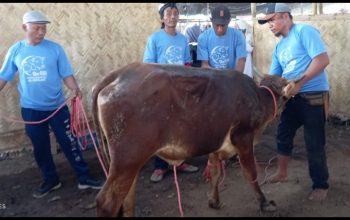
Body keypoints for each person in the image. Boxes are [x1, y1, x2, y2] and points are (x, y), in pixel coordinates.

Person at [0, 10, 104, 199]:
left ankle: (84, 177)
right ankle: (51, 180)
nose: (41, 32)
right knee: (40, 146)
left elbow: (66, 73)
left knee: (69, 142)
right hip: (31, 110)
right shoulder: (16, 50)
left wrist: (75, 89)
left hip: (57, 107)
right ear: (25, 28)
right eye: (37, 28)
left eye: (44, 28)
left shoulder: (55, 49)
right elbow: (4, 76)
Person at [258, 3, 330, 201]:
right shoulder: (280, 47)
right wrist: (262, 87)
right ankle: (282, 173)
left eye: (272, 20)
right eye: (267, 22)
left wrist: (300, 82)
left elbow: (322, 59)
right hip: (291, 97)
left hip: (313, 95)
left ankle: (320, 184)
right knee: (283, 134)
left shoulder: (304, 32)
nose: (269, 25)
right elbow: (274, 76)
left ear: (284, 16)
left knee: (314, 141)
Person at [143, 3, 199, 183]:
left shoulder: (183, 40)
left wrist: (187, 85)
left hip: (181, 91)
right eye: (168, 13)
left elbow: (187, 64)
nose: (173, 16)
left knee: (182, 127)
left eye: (175, 13)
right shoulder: (155, 39)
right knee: (161, 129)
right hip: (162, 92)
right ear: (162, 18)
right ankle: (160, 167)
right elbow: (149, 66)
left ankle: (180, 162)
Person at [197, 5, 246, 72]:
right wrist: (220, 77)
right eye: (217, 25)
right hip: (212, 77)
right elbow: (204, 65)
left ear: (229, 21)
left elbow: (241, 61)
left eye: (223, 25)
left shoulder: (238, 36)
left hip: (232, 77)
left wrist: (236, 78)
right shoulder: (203, 38)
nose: (220, 29)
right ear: (211, 21)